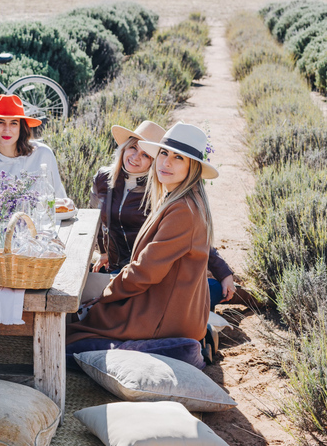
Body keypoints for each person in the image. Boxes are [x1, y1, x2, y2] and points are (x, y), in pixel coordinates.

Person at [67, 122, 218, 348]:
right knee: (81, 313)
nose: (166, 162)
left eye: (178, 158)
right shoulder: (177, 198)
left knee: (70, 334)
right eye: (164, 153)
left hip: (162, 317)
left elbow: (146, 271)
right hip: (160, 301)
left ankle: (186, 346)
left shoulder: (183, 210)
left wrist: (104, 295)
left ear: (193, 167)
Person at [91, 121, 236, 308]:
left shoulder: (160, 190)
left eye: (145, 154)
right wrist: (103, 252)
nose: (135, 157)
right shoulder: (104, 178)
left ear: (153, 160)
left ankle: (222, 293)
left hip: (147, 272)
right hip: (121, 268)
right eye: (133, 148)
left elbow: (193, 236)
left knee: (200, 292)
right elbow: (97, 219)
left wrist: (223, 271)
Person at [0, 94, 67, 205]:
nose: (7, 129)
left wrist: (66, 203)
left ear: (21, 128)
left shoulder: (43, 155)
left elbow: (60, 204)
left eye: (14, 123)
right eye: (0, 122)